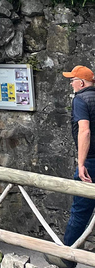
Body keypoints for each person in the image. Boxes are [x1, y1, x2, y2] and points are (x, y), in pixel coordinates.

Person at [45, 66, 95, 268]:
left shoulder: (80, 100)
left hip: (91, 161)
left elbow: (84, 131)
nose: (70, 84)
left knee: (80, 211)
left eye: (72, 80)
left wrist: (81, 163)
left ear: (81, 83)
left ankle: (67, 257)